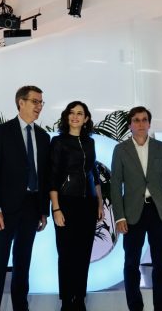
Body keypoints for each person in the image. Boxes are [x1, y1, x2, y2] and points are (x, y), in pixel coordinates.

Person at [0, 86, 51, 311]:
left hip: (32, 208)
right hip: (5, 209)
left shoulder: (43, 137)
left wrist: (43, 210)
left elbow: (44, 177)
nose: (39, 106)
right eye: (35, 101)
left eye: (41, 102)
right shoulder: (2, 132)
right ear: (21, 102)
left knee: (23, 263)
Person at [110, 107, 162, 311]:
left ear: (149, 123)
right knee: (131, 264)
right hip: (132, 213)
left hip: (160, 212)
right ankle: (135, 307)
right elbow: (115, 185)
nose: (140, 123)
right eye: (136, 120)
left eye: (144, 120)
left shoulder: (161, 148)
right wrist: (119, 217)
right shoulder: (120, 150)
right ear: (130, 125)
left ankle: (161, 307)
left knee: (161, 264)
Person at [49, 101, 103, 311]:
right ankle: (66, 301)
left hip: (88, 204)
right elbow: (53, 176)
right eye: (71, 113)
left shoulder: (90, 142)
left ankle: (79, 299)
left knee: (84, 253)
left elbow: (94, 173)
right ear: (66, 116)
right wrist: (56, 208)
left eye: (80, 113)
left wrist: (99, 203)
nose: (75, 116)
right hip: (65, 202)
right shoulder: (58, 142)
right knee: (66, 254)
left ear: (86, 118)